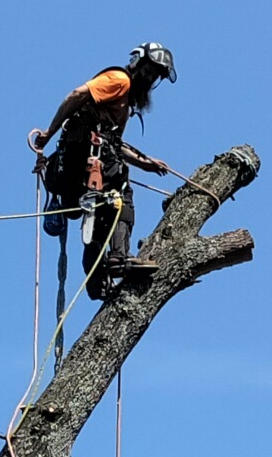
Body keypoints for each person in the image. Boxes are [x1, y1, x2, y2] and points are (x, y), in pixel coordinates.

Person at [33, 43, 177, 299]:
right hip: (83, 158)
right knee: (122, 196)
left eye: (156, 75)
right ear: (138, 63)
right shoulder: (119, 80)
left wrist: (144, 163)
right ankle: (119, 258)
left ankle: (98, 281)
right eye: (150, 70)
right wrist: (49, 132)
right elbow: (77, 95)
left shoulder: (125, 102)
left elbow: (114, 145)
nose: (151, 77)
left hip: (87, 161)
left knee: (101, 211)